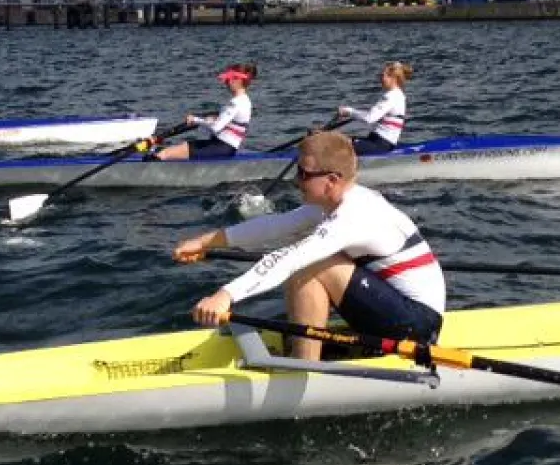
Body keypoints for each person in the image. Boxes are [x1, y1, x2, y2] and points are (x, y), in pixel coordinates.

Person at [173, 130, 445, 360]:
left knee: (309, 261)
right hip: (395, 310)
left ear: (331, 181)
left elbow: (291, 258)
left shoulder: (355, 215)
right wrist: (205, 242)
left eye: (304, 174)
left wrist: (225, 296)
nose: (296, 180)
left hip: (417, 326)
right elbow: (273, 226)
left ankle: (304, 367)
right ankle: (304, 351)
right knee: (303, 253)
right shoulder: (331, 204)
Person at [153, 63, 256, 161]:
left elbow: (216, 127)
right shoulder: (245, 100)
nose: (225, 82)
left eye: (228, 79)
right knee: (171, 150)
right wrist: (209, 119)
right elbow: (228, 123)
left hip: (219, 148)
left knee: (163, 154)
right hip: (223, 147)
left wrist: (195, 120)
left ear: (237, 80)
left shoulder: (235, 103)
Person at [336, 60, 412, 155]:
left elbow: (370, 118)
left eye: (383, 75)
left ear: (393, 78)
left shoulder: (391, 97)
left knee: (338, 144)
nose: (380, 78)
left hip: (381, 145)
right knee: (342, 139)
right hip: (377, 140)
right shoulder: (397, 95)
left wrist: (349, 112)